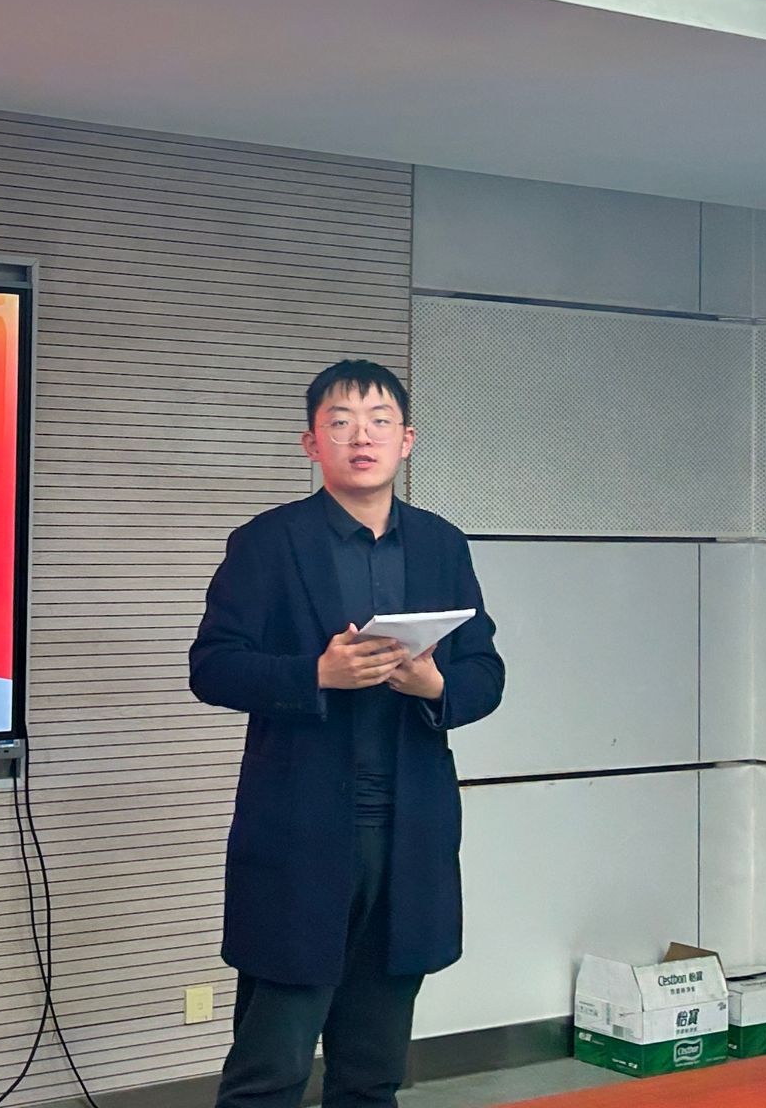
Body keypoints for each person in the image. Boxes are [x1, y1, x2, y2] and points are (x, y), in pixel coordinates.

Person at [189, 359, 505, 1108]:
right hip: (299, 836)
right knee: (270, 1071)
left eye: (378, 421)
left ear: (407, 440)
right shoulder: (267, 543)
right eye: (340, 423)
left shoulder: (441, 545)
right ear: (311, 444)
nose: (361, 437)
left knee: (372, 1074)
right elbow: (213, 667)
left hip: (409, 837)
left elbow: (486, 673)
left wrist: (436, 688)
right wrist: (316, 674)